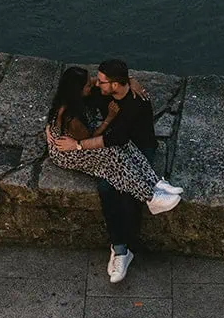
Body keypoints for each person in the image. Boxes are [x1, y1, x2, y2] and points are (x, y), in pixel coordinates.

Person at [47, 59, 182, 283]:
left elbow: (113, 139)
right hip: (106, 144)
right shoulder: (97, 93)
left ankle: (150, 194)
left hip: (138, 146)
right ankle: (122, 248)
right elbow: (69, 98)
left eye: (100, 82)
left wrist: (132, 81)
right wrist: (51, 130)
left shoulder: (137, 102)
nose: (95, 85)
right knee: (109, 187)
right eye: (94, 82)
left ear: (115, 85)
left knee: (121, 182)